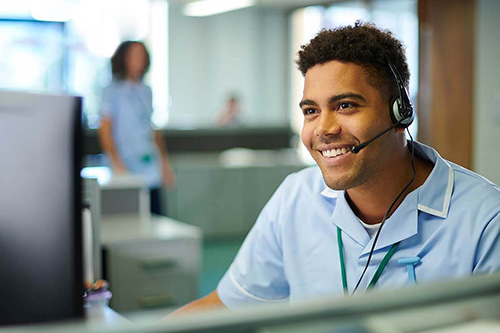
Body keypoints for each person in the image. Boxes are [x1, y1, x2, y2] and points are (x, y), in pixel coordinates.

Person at [172, 22, 500, 313]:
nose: (323, 129)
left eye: (345, 105)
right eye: (311, 111)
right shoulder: (295, 197)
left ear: (400, 113)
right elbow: (227, 306)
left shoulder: (486, 220)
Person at [98, 41, 176, 215]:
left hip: (149, 164)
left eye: (141, 55)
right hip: (124, 164)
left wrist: (164, 163)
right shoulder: (112, 91)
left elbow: (152, 128)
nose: (138, 60)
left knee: (156, 215)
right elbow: (105, 130)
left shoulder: (146, 91)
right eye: (133, 55)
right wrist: (117, 164)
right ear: (123, 58)